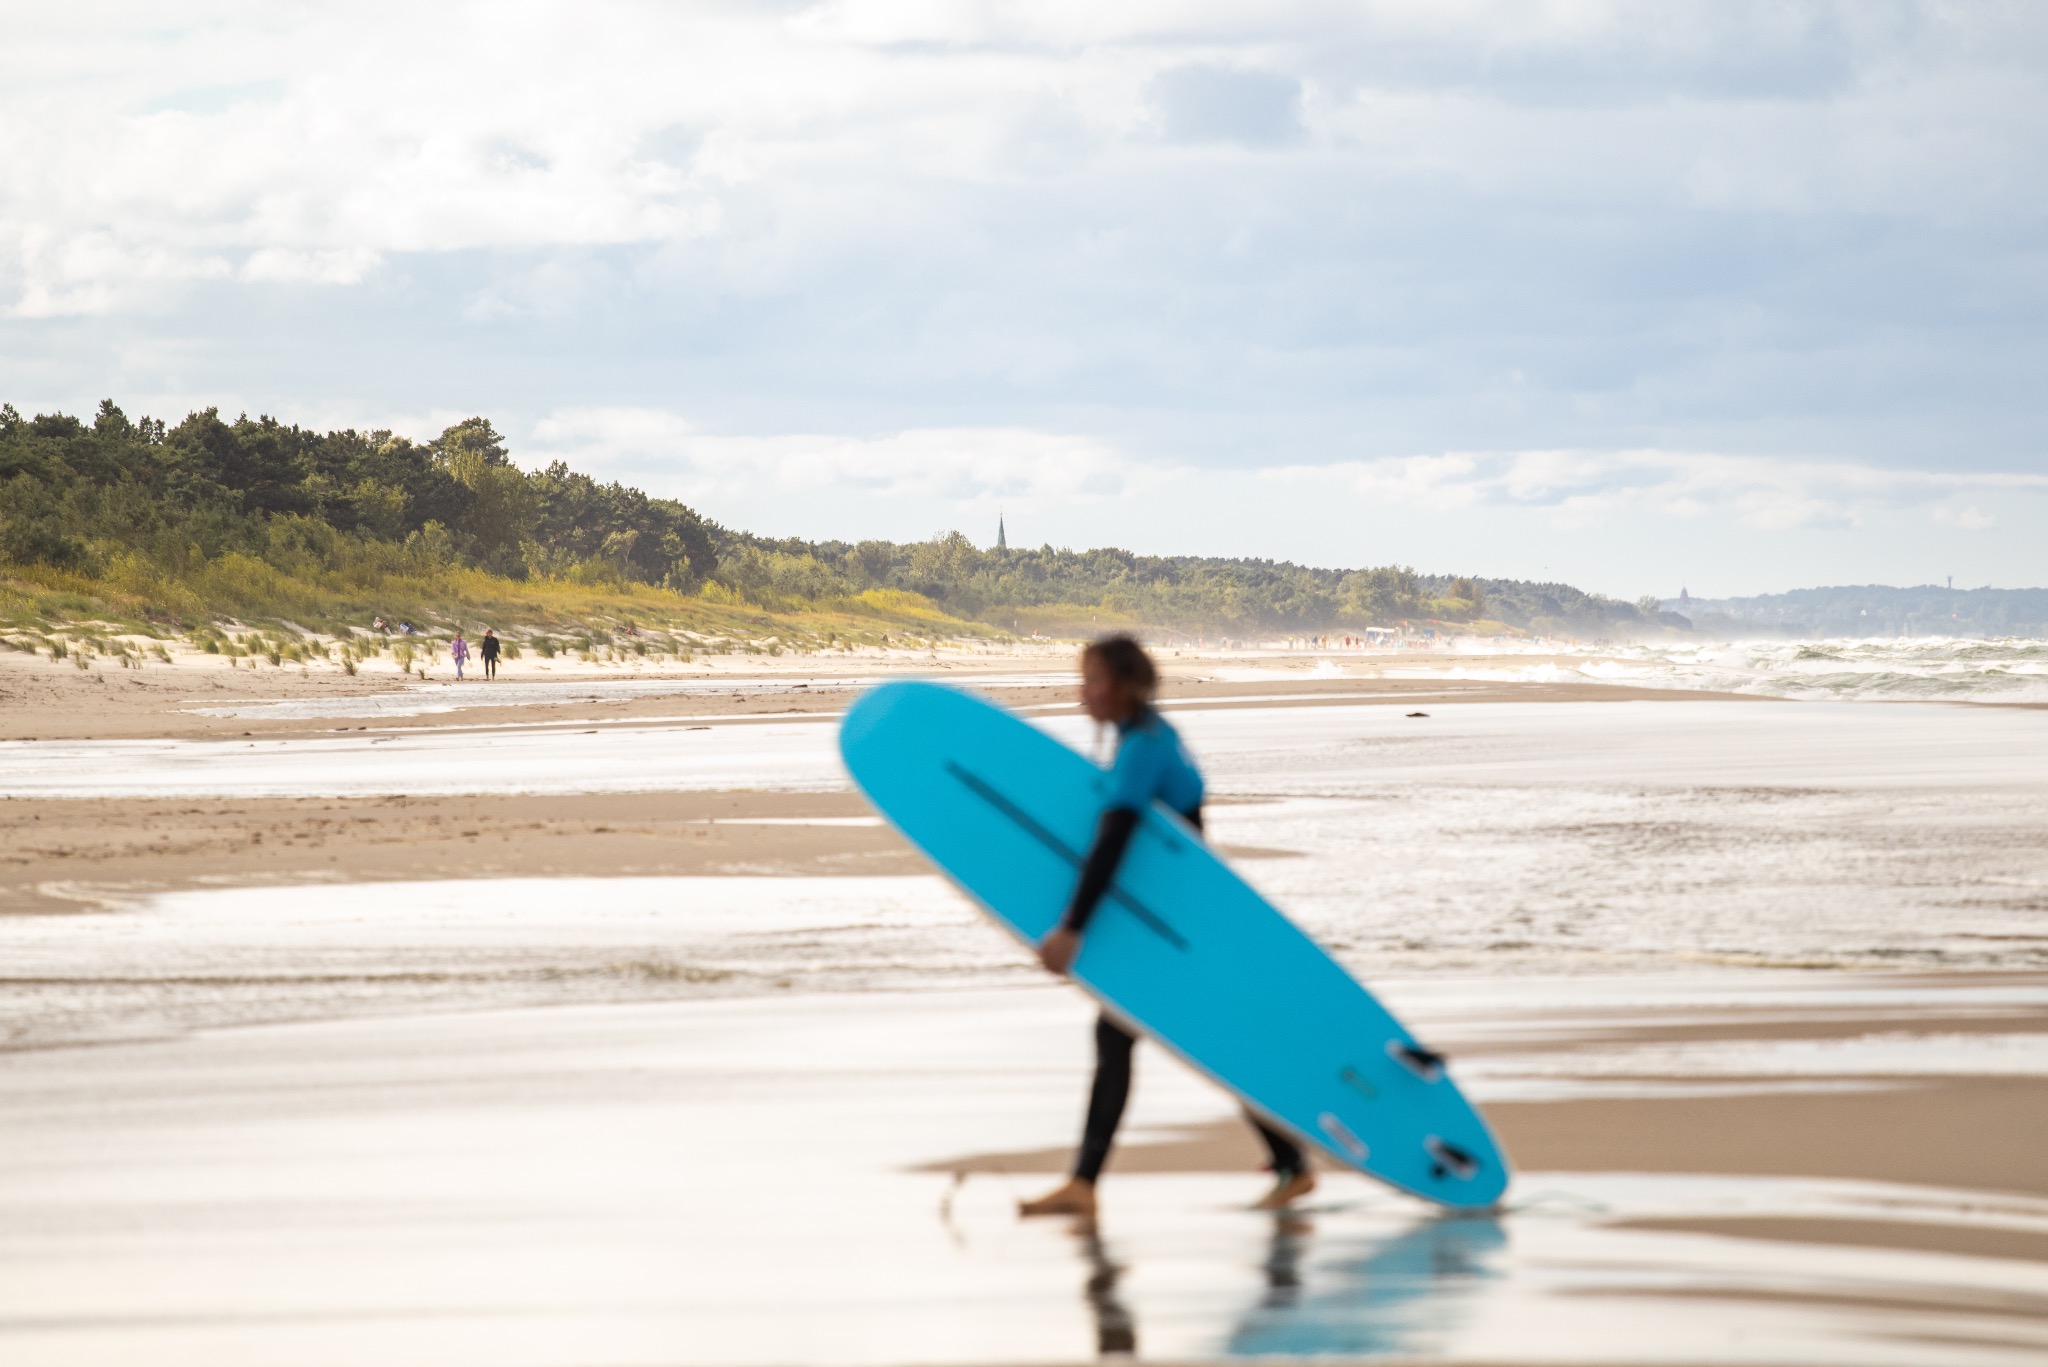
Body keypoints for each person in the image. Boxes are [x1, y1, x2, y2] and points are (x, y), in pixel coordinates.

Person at [1020, 635, 1315, 1220]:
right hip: (1180, 926)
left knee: (1160, 1038)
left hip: (1177, 933)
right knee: (1182, 1037)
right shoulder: (1150, 737)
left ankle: (1086, 1183)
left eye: (1095, 680)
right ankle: (1288, 1161)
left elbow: (1115, 842)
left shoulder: (1141, 750)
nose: (1084, 691)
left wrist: (1072, 927)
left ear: (1126, 686)